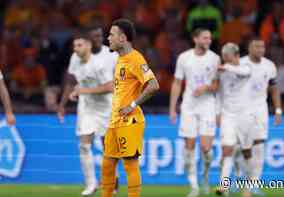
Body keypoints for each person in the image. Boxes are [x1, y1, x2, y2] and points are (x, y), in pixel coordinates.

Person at [101, 19, 159, 197]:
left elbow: (154, 85)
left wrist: (132, 105)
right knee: (107, 164)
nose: (108, 38)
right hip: (115, 120)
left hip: (130, 120)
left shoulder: (135, 58)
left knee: (129, 164)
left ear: (123, 38)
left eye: (112, 34)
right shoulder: (120, 59)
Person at [57, 31, 115, 196]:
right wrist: (62, 104)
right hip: (86, 107)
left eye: (79, 45)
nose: (76, 49)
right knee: (84, 145)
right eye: (74, 45)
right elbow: (71, 81)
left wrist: (84, 90)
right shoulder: (74, 59)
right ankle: (91, 184)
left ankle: (111, 180)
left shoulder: (99, 64)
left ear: (88, 46)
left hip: (105, 108)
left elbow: (110, 87)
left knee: (108, 149)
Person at [169, 28, 220, 197]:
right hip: (189, 106)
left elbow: (217, 85)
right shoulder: (184, 58)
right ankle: (194, 186)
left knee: (206, 148)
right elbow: (177, 83)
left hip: (207, 106)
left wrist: (206, 87)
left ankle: (205, 176)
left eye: (210, 38)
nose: (208, 41)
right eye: (205, 38)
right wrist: (172, 108)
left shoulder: (214, 58)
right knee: (189, 147)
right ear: (195, 39)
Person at [239, 37, 282, 195]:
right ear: (249, 48)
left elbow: (274, 88)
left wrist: (278, 110)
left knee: (259, 144)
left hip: (260, 110)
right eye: (257, 46)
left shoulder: (269, 66)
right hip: (242, 110)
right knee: (243, 147)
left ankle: (253, 183)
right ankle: (242, 178)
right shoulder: (240, 63)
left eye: (262, 47)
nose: (260, 50)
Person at [214, 43, 256, 197]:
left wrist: (227, 67)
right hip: (228, 116)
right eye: (224, 59)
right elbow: (219, 94)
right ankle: (224, 185)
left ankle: (248, 188)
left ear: (237, 56)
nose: (226, 62)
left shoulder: (246, 67)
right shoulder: (223, 72)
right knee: (227, 150)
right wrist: (217, 113)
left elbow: (244, 72)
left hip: (245, 116)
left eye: (228, 59)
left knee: (247, 152)